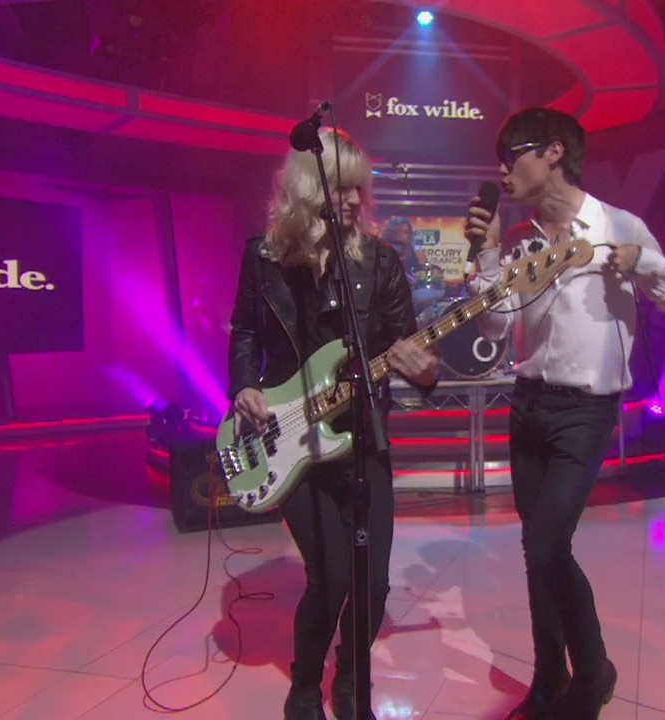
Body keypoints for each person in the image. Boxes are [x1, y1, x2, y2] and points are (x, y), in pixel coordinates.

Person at [464, 107, 665, 720]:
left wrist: (642, 262)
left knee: (547, 544)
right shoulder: (519, 240)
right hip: (528, 404)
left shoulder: (618, 224)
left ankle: (592, 674)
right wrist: (486, 257)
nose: (502, 171)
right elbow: (496, 326)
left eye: (512, 154)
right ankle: (548, 678)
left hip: (586, 411)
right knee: (535, 547)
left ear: (554, 152)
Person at [227, 126, 440, 720]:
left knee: (372, 584)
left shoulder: (379, 262)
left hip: (361, 437)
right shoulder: (264, 258)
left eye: (359, 189)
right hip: (292, 437)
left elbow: (408, 347)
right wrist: (243, 384)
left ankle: (349, 679)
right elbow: (244, 329)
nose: (353, 200)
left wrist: (425, 370)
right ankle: (303, 689)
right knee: (330, 577)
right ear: (306, 190)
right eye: (341, 188)